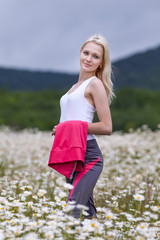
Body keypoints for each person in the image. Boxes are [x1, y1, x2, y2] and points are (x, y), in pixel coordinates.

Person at [52, 34, 114, 219]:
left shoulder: (95, 84)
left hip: (89, 157)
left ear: (101, 63)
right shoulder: (74, 86)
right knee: (86, 215)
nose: (88, 59)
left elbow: (106, 126)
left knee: (73, 210)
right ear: (80, 53)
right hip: (72, 153)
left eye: (95, 56)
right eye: (86, 53)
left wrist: (68, 127)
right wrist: (62, 128)